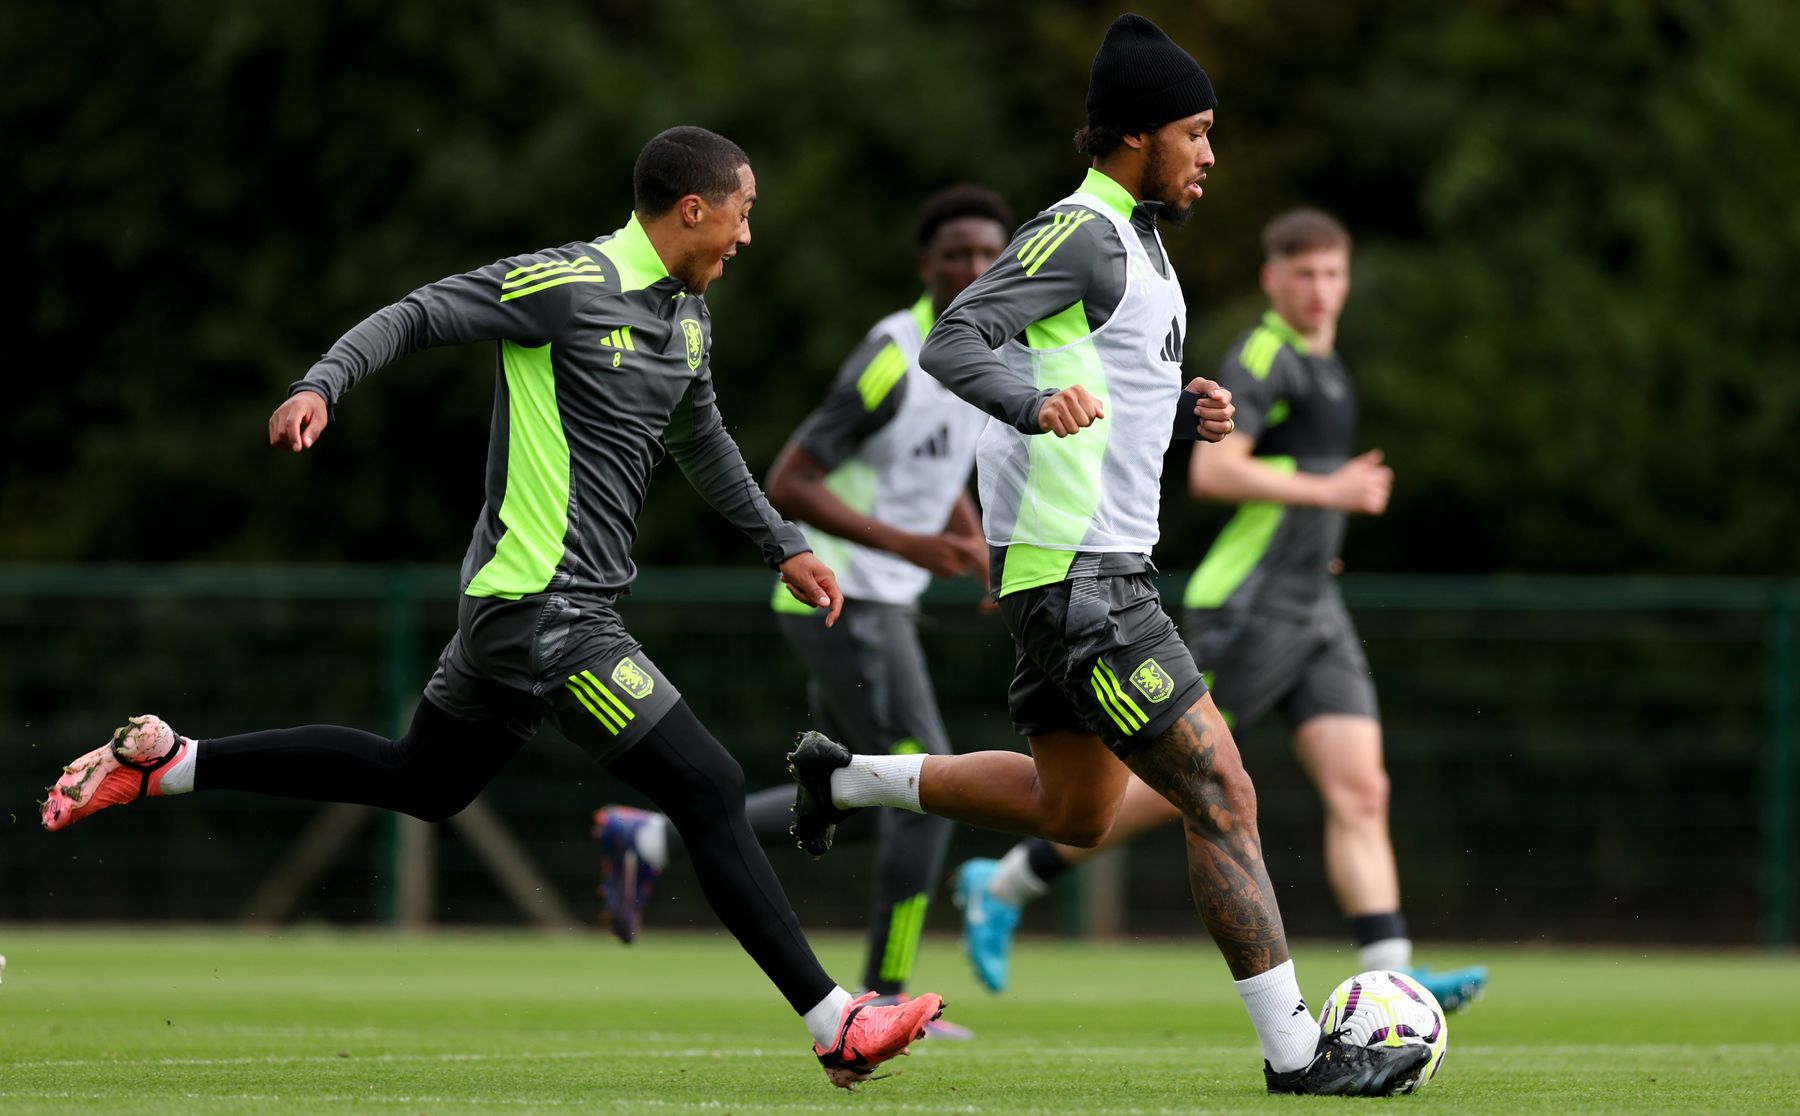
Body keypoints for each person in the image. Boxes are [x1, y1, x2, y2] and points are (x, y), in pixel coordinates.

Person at [37, 125, 944, 1091]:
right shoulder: (565, 284)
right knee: (710, 787)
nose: (746, 236)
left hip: (532, 612)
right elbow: (419, 313)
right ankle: (835, 1020)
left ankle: (174, 764)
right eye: (743, 213)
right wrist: (322, 383)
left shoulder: (686, 319)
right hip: (544, 611)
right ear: (694, 208)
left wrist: (786, 544)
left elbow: (704, 440)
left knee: (423, 781)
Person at [785, 15, 1427, 1097]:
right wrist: (1033, 403)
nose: (1211, 153)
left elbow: (1102, 383)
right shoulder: (1078, 229)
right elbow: (957, 340)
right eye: (1197, 131)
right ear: (1136, 136)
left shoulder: (1139, 243)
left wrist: (1181, 413)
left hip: (1082, 572)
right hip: (1085, 579)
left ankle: (844, 779)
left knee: (1071, 810)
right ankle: (1298, 1053)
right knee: (1221, 791)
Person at [953, 208, 1489, 1014]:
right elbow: (1217, 473)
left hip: (1315, 606)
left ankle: (1395, 979)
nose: (1319, 290)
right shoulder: (1265, 353)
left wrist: (1319, 533)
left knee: (1361, 790)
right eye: (1303, 274)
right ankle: (1006, 881)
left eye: (1333, 273)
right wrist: (1330, 493)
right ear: (1273, 280)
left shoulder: (1330, 367)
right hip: (1251, 606)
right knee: (1192, 781)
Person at [591, 186, 1010, 1038]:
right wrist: (913, 547)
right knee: (932, 790)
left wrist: (971, 545)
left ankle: (652, 839)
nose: (973, 269)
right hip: (844, 600)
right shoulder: (895, 355)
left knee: (848, 799)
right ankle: (888, 998)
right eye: (956, 254)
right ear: (926, 265)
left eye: (987, 255)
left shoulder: (976, 354)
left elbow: (932, 477)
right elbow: (792, 479)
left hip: (879, 599)